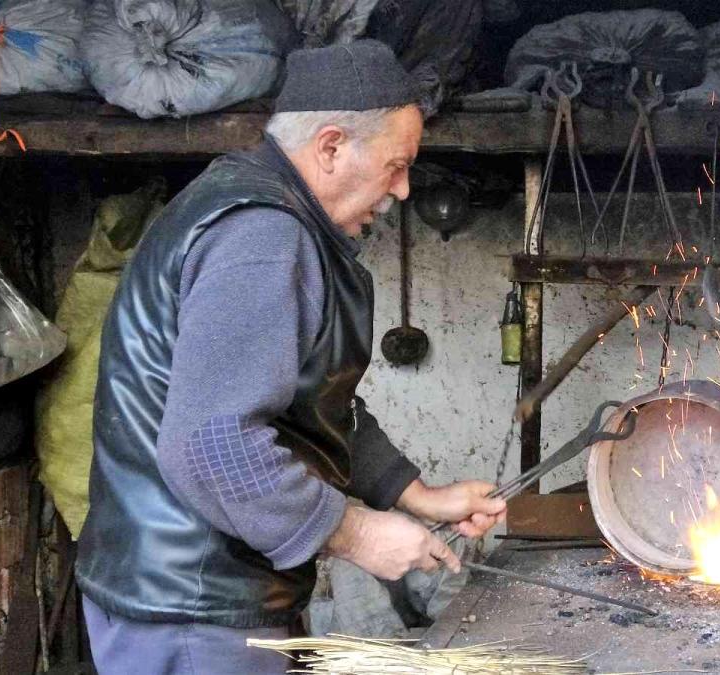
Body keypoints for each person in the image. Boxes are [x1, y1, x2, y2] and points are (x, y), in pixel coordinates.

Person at [75, 40, 505, 675]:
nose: (405, 190)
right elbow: (212, 443)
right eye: (396, 165)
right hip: (194, 607)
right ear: (331, 146)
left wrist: (415, 495)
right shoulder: (262, 236)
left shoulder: (251, 205)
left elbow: (307, 397)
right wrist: (358, 535)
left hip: (190, 593)